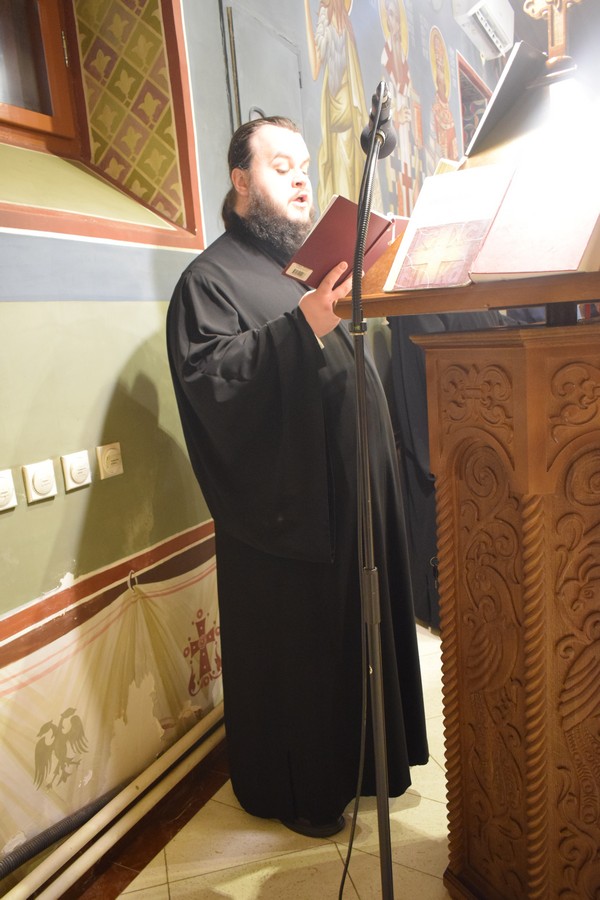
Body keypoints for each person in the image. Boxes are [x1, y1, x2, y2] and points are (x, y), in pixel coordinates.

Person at [166, 116, 428, 838]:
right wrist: (301, 326)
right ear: (241, 181)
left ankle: (368, 763)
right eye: (281, 167)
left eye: (305, 166)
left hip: (353, 496)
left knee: (359, 636)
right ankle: (303, 788)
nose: (301, 179)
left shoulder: (300, 271)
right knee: (306, 656)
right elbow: (213, 380)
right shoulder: (210, 280)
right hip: (290, 515)